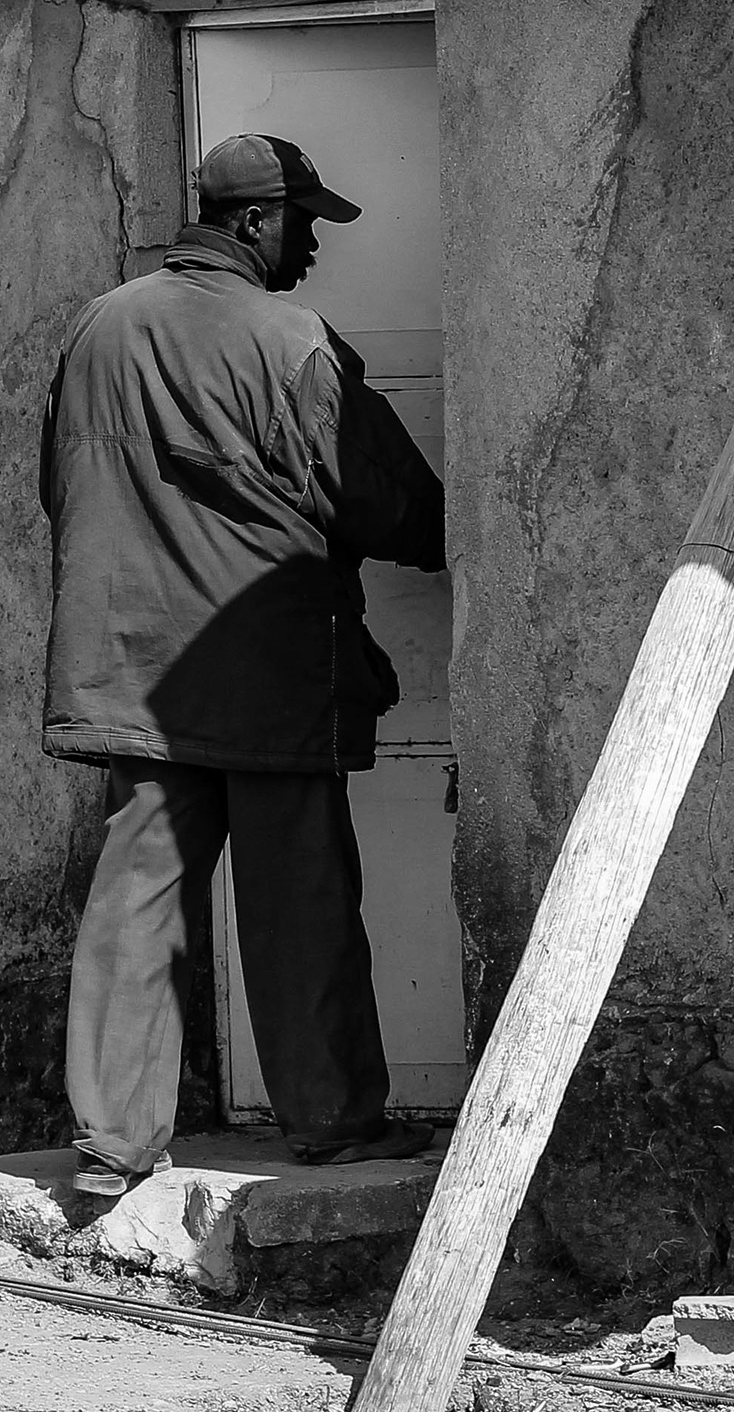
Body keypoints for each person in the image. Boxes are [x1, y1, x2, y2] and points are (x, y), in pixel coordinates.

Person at [40, 131, 447, 1195]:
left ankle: (112, 1145)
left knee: (137, 904)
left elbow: (61, 484)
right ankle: (333, 1122)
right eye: (304, 223)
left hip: (136, 667)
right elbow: (383, 496)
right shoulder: (290, 339)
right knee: (298, 901)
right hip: (269, 668)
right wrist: (463, 535)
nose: (311, 245)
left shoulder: (98, 327)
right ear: (256, 219)